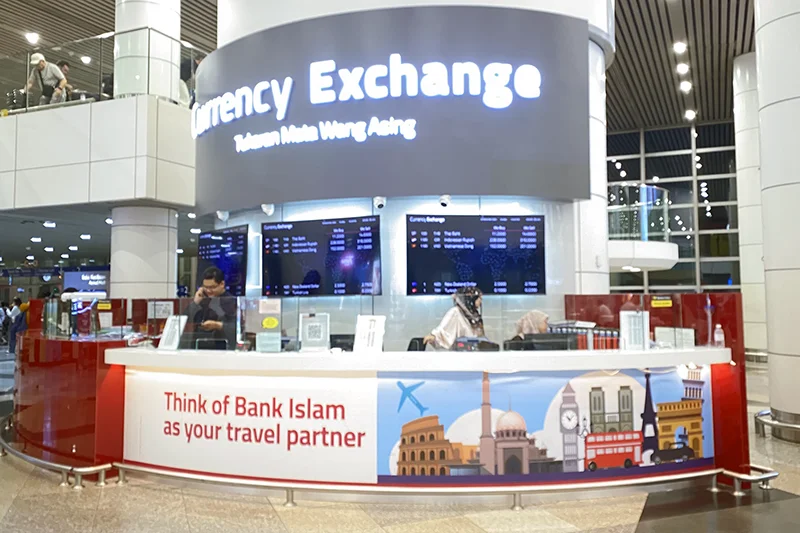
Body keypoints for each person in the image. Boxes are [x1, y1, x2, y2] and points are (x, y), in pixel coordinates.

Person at [183, 267, 237, 350]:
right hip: (199, 346)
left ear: (222, 284)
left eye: (212, 287)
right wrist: (195, 302)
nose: (208, 291)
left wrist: (218, 325)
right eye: (205, 287)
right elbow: (185, 319)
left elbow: (237, 327)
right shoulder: (202, 300)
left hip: (222, 348)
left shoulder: (232, 302)